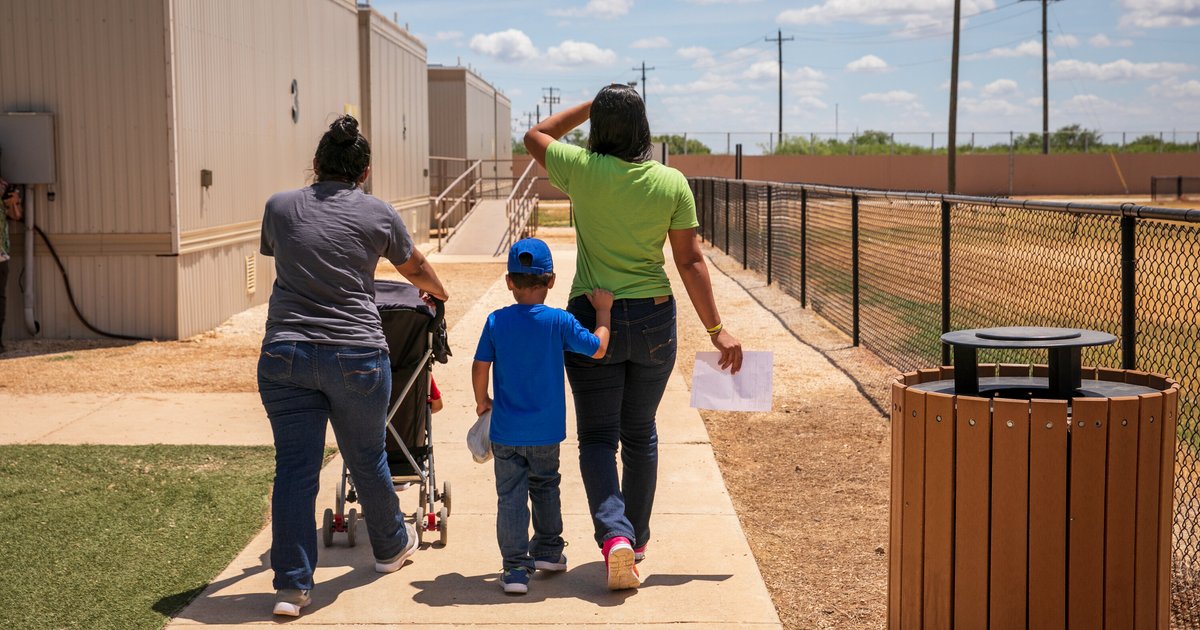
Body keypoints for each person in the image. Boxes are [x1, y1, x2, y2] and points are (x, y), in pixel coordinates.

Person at [524, 84, 743, 590]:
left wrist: (588, 106)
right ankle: (637, 542)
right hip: (654, 318)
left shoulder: (580, 168)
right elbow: (689, 261)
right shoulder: (671, 182)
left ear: (598, 127)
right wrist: (716, 328)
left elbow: (534, 135)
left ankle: (614, 538)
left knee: (598, 437)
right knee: (639, 432)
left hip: (589, 314)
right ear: (644, 128)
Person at [257, 115, 449, 617]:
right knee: (367, 457)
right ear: (364, 172)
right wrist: (440, 292)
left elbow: (286, 251)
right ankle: (389, 548)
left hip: (287, 353)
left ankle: (292, 588)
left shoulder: (278, 207)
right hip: (356, 354)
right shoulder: (378, 214)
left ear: (316, 164)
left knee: (294, 470)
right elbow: (416, 269)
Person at [471, 238, 612, 594]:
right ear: (550, 281)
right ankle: (549, 550)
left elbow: (479, 365)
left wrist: (482, 400)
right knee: (546, 484)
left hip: (505, 430)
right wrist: (604, 312)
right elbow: (597, 349)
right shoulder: (559, 322)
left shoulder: (496, 321)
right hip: (546, 431)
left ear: (509, 281)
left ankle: (516, 569)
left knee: (510, 496)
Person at [0, 178, 22, 354]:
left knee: (0, 299)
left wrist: (13, 203)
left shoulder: (5, 186)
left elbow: (16, 216)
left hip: (1, 254)